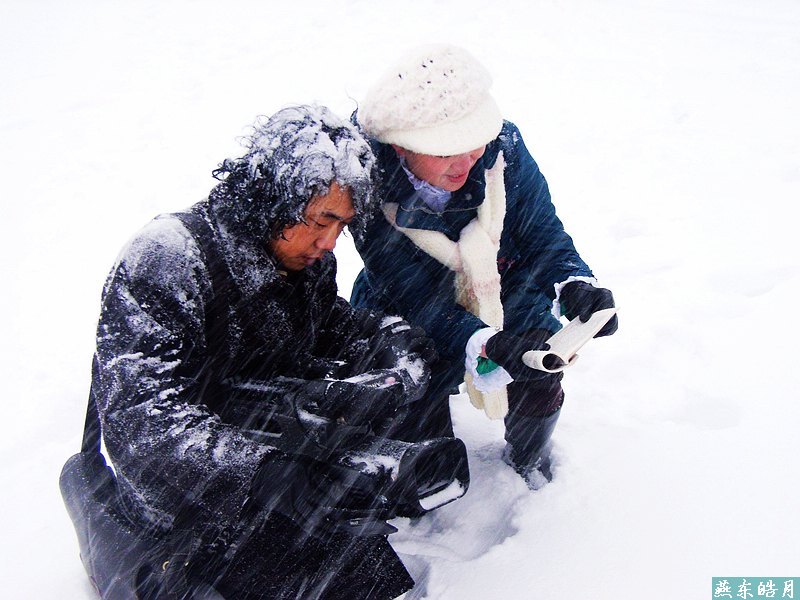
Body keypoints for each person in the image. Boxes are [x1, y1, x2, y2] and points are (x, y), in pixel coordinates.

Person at [85, 105, 449, 599]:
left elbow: (331, 325)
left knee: (367, 580)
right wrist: (263, 475)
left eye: (342, 227)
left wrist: (392, 337)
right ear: (274, 196)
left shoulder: (301, 260)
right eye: (322, 220)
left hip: (276, 468)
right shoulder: (168, 259)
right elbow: (139, 421)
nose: (329, 242)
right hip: (181, 503)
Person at [351, 44, 619, 489]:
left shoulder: (502, 148)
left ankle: (528, 458)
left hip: (501, 281)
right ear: (400, 145)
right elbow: (409, 292)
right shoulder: (367, 183)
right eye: (445, 151)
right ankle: (430, 476)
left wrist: (575, 283)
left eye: (473, 141)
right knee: (413, 384)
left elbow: (541, 233)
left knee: (538, 362)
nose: (468, 160)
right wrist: (481, 341)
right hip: (403, 302)